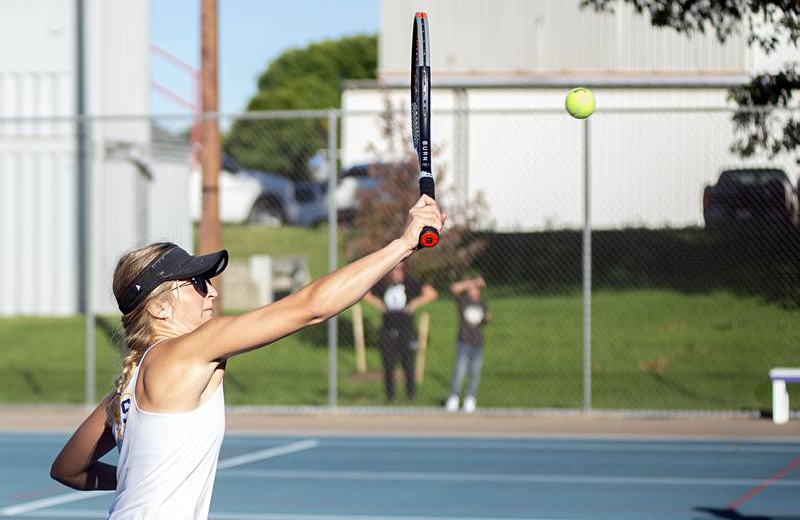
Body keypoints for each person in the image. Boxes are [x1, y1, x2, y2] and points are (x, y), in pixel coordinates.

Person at [50, 195, 444, 519]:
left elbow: (68, 468)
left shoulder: (131, 382)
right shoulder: (190, 350)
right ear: (159, 309)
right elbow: (310, 307)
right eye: (197, 284)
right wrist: (403, 245)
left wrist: (138, 480)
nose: (212, 293)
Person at [363, 262, 437, 403]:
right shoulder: (383, 284)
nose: (395, 272)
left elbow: (432, 293)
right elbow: (364, 293)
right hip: (388, 330)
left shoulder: (410, 283)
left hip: (406, 330)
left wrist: (414, 304)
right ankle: (390, 397)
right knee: (388, 365)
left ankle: (410, 396)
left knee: (408, 365)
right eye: (393, 269)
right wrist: (379, 304)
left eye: (399, 269)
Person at [445, 275, 490, 413]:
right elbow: (453, 288)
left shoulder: (482, 303)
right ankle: (454, 397)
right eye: (471, 290)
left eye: (475, 289)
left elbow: (487, 318)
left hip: (478, 343)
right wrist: (471, 282)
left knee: (474, 373)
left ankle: (470, 398)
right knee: (460, 371)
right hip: (464, 342)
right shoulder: (463, 301)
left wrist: (487, 317)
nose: (473, 291)